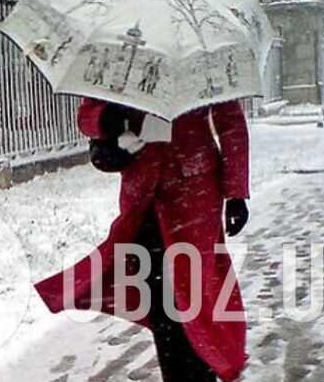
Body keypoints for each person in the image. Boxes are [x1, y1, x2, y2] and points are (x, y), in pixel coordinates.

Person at [37, 99, 250, 381]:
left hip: (194, 197)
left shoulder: (204, 59)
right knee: (160, 302)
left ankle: (202, 370)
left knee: (193, 295)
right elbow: (87, 115)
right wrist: (113, 117)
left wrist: (236, 193)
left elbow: (230, 122)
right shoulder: (123, 59)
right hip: (143, 199)